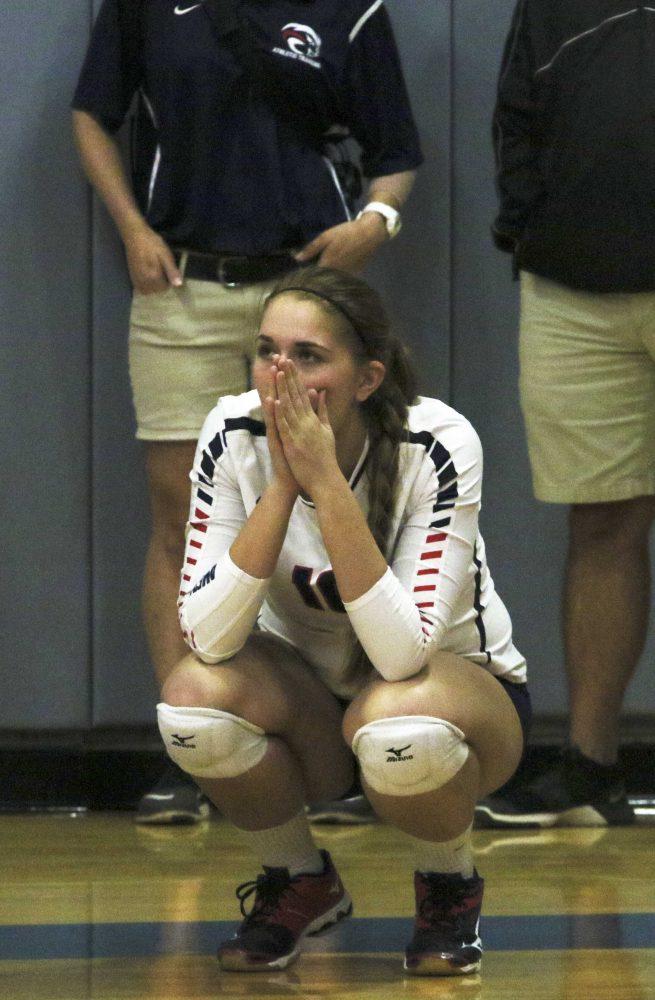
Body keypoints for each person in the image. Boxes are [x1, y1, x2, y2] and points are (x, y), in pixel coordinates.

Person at [71, 0, 422, 822]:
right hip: (180, 287)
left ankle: (360, 739)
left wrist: (376, 222)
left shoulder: (350, 9)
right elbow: (92, 115)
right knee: (176, 518)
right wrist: (128, 227)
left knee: (340, 500)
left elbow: (397, 153)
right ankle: (194, 743)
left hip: (306, 291)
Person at [156, 265, 530, 974]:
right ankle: (300, 879)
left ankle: (447, 883)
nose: (280, 374)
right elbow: (208, 637)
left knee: (400, 724)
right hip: (311, 709)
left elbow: (399, 657)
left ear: (367, 378)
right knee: (191, 706)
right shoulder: (231, 430)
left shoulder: (437, 442)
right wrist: (281, 488)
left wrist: (325, 484)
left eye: (308, 356)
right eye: (268, 351)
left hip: (456, 704)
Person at [481, 0, 655, 829]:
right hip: (573, 290)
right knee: (601, 521)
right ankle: (591, 767)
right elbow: (517, 113)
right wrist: (530, 229)